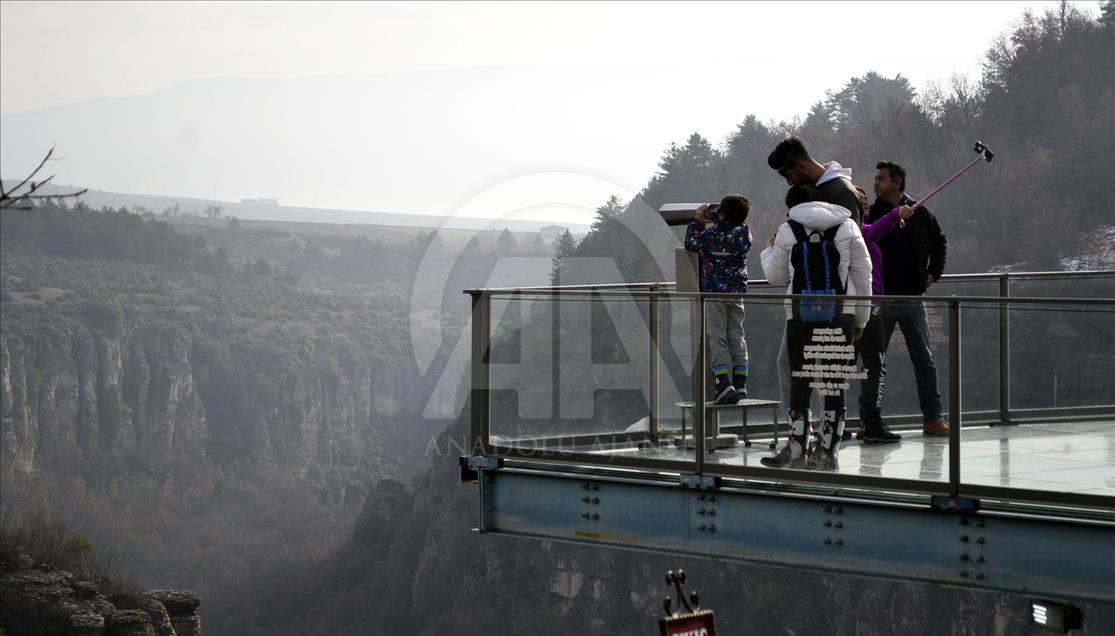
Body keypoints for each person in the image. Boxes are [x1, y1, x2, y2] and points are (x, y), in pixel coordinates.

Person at [759, 185, 872, 470]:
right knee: (833, 383)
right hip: (840, 315)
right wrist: (861, 319)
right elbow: (863, 273)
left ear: (791, 206)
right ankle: (827, 452)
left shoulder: (788, 230)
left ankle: (797, 448)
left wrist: (768, 250)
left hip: (800, 317)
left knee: (800, 384)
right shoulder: (847, 226)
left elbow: (775, 276)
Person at [871, 161, 950, 436]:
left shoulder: (920, 212)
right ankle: (869, 420)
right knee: (874, 362)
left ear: (897, 183)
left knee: (924, 360)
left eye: (881, 178)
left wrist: (933, 274)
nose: (876, 183)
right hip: (882, 299)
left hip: (913, 298)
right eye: (876, 178)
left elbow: (939, 242)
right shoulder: (871, 214)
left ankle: (933, 419)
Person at [850, 185, 911, 443]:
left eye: (865, 199)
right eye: (859, 199)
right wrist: (897, 213)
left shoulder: (851, 231)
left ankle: (839, 421)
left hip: (857, 307)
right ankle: (871, 422)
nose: (865, 202)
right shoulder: (857, 231)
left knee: (844, 365)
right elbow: (875, 230)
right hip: (867, 307)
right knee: (876, 365)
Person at [685, 194, 753, 404]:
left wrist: (698, 220)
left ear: (721, 214)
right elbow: (738, 236)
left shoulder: (712, 234)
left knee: (717, 337)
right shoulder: (744, 233)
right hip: (736, 293)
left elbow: (691, 243)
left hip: (714, 293)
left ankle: (722, 383)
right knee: (736, 336)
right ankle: (740, 383)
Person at [767, 137, 863, 223]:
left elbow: (851, 238)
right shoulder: (808, 192)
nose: (790, 182)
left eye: (789, 176)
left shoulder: (842, 192)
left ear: (801, 166)